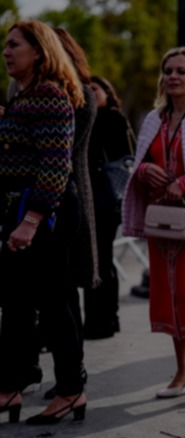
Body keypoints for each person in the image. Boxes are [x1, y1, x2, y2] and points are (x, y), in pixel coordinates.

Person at [122, 47, 185, 405]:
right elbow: (138, 162)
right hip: (161, 219)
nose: (173, 77)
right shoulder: (154, 119)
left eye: (181, 71)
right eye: (168, 71)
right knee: (166, 294)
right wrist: (144, 170)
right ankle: (184, 370)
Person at [0, 19, 88, 424]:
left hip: (45, 213)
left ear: (38, 51)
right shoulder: (23, 96)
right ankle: (9, 387)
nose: (6, 52)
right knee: (16, 306)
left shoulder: (50, 95)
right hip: (23, 209)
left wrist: (31, 220)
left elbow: (55, 167)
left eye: (14, 45)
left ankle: (71, 391)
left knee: (53, 305)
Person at [83, 75, 135, 340]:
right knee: (98, 260)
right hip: (93, 197)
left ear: (107, 91)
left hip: (106, 197)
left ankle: (104, 320)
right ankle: (100, 318)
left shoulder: (112, 118)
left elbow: (123, 155)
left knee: (101, 260)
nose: (90, 94)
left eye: (95, 89)